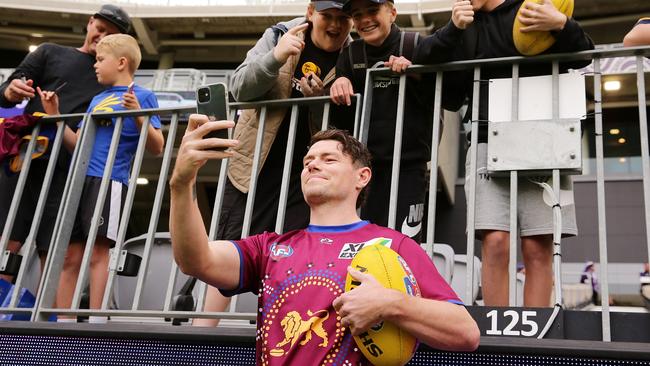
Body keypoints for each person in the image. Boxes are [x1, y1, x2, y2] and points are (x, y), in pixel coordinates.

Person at [170, 123, 480, 364]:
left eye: (328, 159)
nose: (312, 165)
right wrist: (182, 185)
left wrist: (390, 304)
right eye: (307, 161)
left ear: (362, 177)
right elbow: (196, 260)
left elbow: (466, 333)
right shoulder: (269, 247)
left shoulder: (392, 245)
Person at [415, 0, 594, 307]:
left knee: (538, 247)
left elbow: (583, 54)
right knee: (495, 242)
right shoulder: (465, 24)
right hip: (487, 141)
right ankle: (496, 333)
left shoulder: (534, 6)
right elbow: (446, 87)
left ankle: (535, 338)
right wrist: (452, 30)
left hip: (546, 141)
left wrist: (560, 23)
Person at [197, 0, 354, 326]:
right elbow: (239, 88)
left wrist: (321, 103)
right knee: (229, 248)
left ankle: (278, 335)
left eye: (343, 18)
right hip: (254, 164)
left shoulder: (356, 53)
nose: (335, 25)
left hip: (311, 174)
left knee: (295, 258)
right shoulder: (280, 34)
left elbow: (354, 122)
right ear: (311, 12)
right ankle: (201, 336)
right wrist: (277, 56)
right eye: (328, 16)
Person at [0, 4, 131, 282]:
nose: (102, 36)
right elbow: (9, 87)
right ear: (90, 22)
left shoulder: (111, 79)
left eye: (111, 35)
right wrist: (12, 90)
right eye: (101, 28)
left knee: (60, 252)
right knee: (7, 242)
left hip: (70, 167)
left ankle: (50, 322)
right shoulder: (50, 51)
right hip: (24, 159)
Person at [38, 34, 164, 323]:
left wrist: (139, 114)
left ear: (121, 62)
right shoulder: (97, 99)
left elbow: (157, 146)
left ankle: (96, 320)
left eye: (100, 59)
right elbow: (78, 143)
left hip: (110, 181)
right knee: (69, 256)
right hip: (79, 180)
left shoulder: (142, 95)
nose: (95, 65)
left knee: (98, 253)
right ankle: (64, 323)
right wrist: (56, 115)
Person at [329, 0, 470, 243]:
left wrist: (416, 73)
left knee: (403, 247)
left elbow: (451, 99)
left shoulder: (415, 45)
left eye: (372, 11)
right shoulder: (350, 54)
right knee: (359, 247)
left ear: (392, 13)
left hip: (409, 169)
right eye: (357, 14)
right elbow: (339, 119)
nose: (364, 20)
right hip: (362, 172)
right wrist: (339, 82)